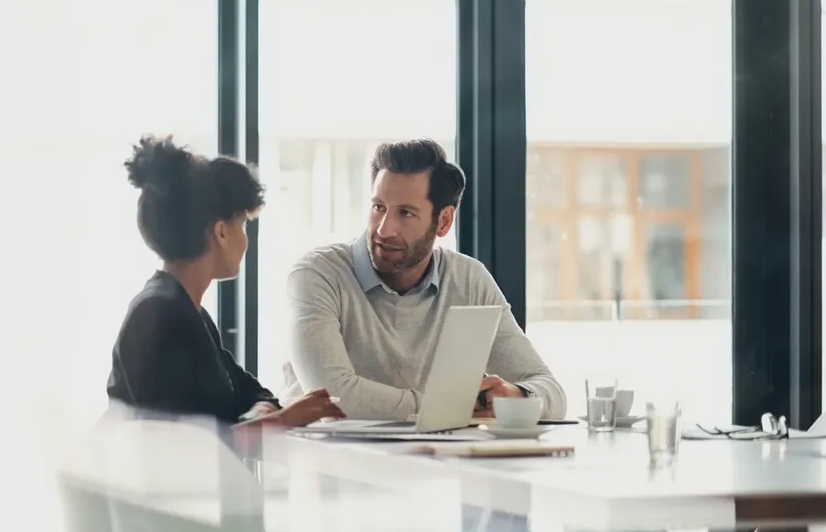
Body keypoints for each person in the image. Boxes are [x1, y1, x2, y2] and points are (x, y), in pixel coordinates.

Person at [282, 138, 566, 421]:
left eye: (405, 213)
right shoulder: (318, 274)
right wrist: (451, 406)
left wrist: (517, 396)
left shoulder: (468, 279)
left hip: (435, 461)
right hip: (330, 462)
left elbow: (550, 391)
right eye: (379, 207)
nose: (384, 229)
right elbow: (334, 398)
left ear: (443, 222)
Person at [107, 135, 343, 428]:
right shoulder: (159, 312)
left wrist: (260, 412)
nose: (245, 239)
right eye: (243, 224)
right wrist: (281, 420)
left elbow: (253, 392)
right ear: (221, 232)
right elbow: (183, 445)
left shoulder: (190, 312)